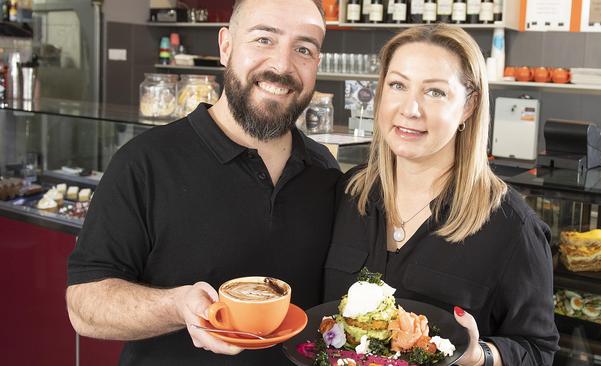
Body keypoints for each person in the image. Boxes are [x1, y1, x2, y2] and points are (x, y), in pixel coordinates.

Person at [66, 0, 340, 365]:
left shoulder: (324, 170)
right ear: (225, 46)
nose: (282, 65)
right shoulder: (145, 162)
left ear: (316, 63)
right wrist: (177, 306)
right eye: (263, 40)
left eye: (303, 48)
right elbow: (85, 306)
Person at [323, 24, 559, 366]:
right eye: (398, 85)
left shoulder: (511, 227)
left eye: (434, 92)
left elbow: (538, 351)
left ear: (468, 106)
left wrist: (480, 356)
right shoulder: (348, 194)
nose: (410, 108)